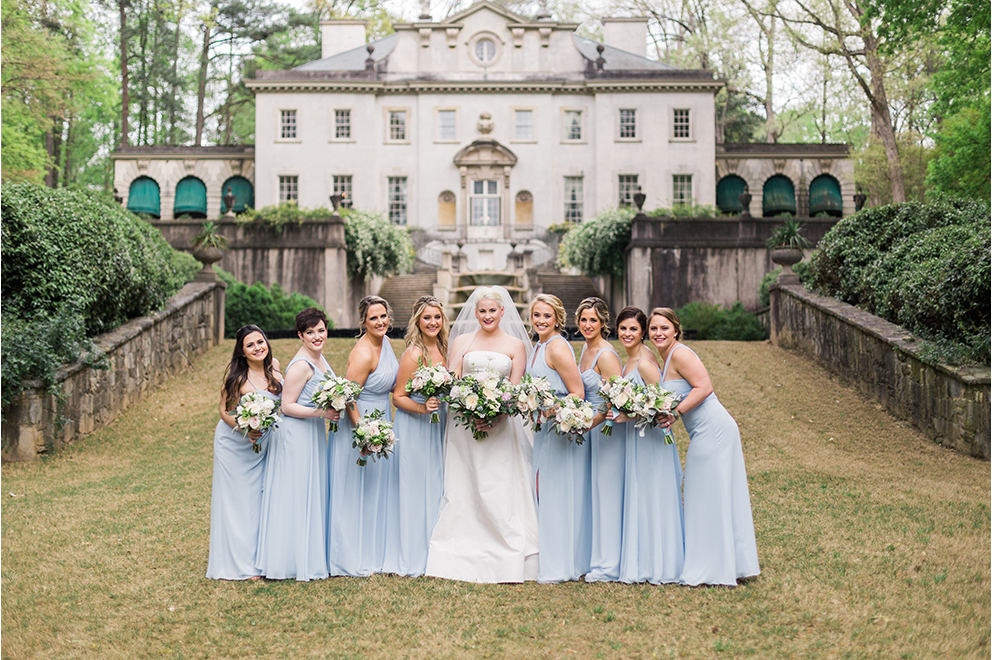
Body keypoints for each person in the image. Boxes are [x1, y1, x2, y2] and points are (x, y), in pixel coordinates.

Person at [425, 286, 538, 583]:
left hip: (501, 428)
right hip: (464, 426)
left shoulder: (515, 345)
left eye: (493, 310)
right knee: (465, 483)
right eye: (482, 311)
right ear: (475, 313)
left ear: (503, 312)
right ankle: (457, 550)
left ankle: (505, 549)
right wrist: (470, 410)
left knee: (497, 483)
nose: (487, 316)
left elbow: (514, 390)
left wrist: (498, 415)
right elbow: (453, 381)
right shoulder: (461, 341)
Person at [648, 307, 760, 586]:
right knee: (709, 493)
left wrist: (675, 413)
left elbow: (704, 387)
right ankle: (725, 562)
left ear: (676, 329)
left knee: (709, 492)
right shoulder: (665, 358)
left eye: (664, 328)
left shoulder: (681, 353)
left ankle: (715, 567)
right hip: (703, 432)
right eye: (654, 329)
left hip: (714, 429)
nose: (658, 333)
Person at [255, 308, 337, 581]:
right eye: (310, 332)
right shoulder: (302, 365)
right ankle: (288, 561)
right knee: (295, 494)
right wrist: (321, 413)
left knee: (308, 491)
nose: (317, 337)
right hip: (296, 434)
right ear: (300, 335)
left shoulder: (320, 357)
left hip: (312, 433)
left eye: (321, 330)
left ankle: (309, 555)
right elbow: (287, 407)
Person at [608, 307, 684, 585]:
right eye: (623, 328)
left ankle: (661, 564)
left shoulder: (644, 362)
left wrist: (627, 414)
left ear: (642, 334)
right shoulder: (628, 361)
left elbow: (662, 401)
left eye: (634, 330)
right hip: (636, 438)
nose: (627, 334)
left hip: (650, 438)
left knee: (654, 494)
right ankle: (642, 561)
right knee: (640, 494)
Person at [327, 295, 400, 576]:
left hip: (381, 417)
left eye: (383, 316)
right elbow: (348, 397)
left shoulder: (387, 344)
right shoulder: (362, 352)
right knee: (355, 489)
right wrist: (363, 432)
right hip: (360, 423)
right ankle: (348, 556)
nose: (380, 322)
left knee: (375, 488)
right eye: (373, 318)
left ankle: (374, 550)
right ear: (363, 322)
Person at [206, 325, 282, 580]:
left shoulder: (275, 369)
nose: (257, 348)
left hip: (265, 444)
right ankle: (241, 566)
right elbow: (225, 411)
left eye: (260, 342)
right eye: (250, 345)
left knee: (261, 501)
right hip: (235, 445)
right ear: (242, 351)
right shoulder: (238, 378)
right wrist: (245, 428)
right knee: (239, 502)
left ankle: (262, 559)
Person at [527, 294, 590, 583]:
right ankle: (550, 556)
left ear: (557, 319)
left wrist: (551, 411)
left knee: (557, 494)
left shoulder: (558, 347)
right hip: (543, 429)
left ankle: (563, 563)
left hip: (558, 429)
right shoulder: (538, 345)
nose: (541, 320)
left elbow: (577, 392)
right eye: (536, 315)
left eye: (546, 316)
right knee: (545, 492)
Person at [391, 295, 450, 577]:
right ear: (417, 321)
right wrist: (422, 408)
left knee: (436, 484)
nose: (432, 322)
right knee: (415, 487)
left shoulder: (444, 348)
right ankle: (413, 555)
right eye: (427, 317)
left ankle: (434, 551)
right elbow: (398, 397)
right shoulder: (414, 354)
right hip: (415, 426)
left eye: (437, 317)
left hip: (437, 425)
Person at [574, 297, 623, 582]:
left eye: (593, 320)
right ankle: (592, 557)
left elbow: (614, 402)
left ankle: (609, 565)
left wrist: (587, 425)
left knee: (606, 495)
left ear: (603, 323)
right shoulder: (584, 350)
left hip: (605, 432)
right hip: (587, 429)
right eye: (583, 319)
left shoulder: (606, 355)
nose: (587, 325)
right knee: (593, 495)